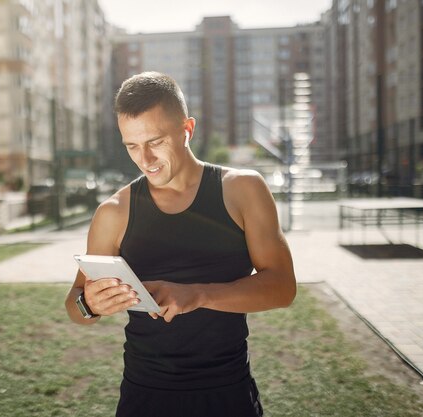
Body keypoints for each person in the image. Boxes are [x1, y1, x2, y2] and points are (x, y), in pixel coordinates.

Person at [65, 71, 296, 417]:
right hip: (144, 396)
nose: (145, 160)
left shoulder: (242, 190)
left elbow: (283, 287)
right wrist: (91, 305)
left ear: (187, 130)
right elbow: (75, 306)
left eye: (155, 142)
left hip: (227, 393)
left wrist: (199, 294)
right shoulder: (113, 212)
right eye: (131, 146)